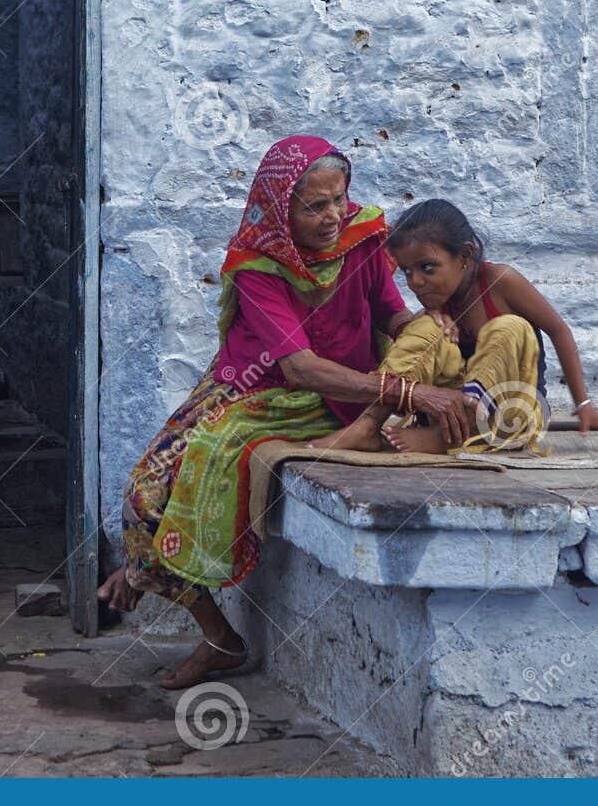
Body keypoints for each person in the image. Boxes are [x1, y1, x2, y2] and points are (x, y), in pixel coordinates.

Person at [96, 136, 474, 690]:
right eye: (315, 206)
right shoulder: (257, 264)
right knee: (144, 498)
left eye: (338, 200)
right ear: (281, 207)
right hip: (255, 391)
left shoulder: (363, 239)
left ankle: (142, 578)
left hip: (355, 393)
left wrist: (423, 329)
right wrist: (411, 395)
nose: (332, 216)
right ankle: (217, 634)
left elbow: (390, 315)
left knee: (160, 502)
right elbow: (299, 369)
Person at [327, 198, 598, 455]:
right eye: (407, 271)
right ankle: (368, 425)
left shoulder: (500, 281)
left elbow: (559, 330)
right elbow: (421, 354)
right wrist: (424, 326)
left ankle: (450, 436)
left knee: (509, 327)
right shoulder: (439, 304)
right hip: (449, 412)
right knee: (423, 329)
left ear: (466, 256)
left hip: (509, 415)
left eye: (427, 268)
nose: (415, 281)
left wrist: (583, 403)